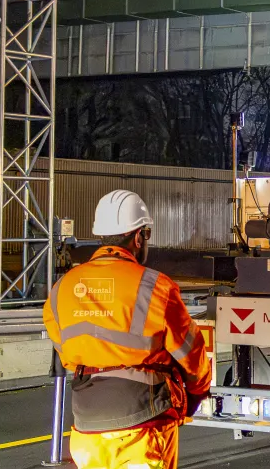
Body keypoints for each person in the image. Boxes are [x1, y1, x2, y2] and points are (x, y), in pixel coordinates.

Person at [43, 190, 211, 469]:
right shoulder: (154, 286)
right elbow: (190, 351)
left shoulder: (63, 288)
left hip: (87, 424)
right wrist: (196, 394)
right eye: (146, 235)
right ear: (138, 237)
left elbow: (65, 350)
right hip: (144, 423)